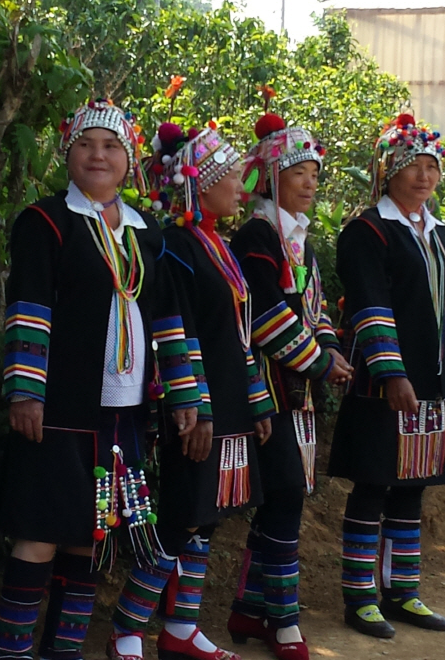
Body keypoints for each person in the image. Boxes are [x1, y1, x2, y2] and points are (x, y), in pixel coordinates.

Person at [0, 100, 201, 660]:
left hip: (123, 413)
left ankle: (63, 651)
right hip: (59, 403)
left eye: (111, 147)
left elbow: (167, 316)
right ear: (69, 154)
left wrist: (184, 393)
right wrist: (26, 390)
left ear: (129, 161)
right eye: (86, 144)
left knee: (92, 539)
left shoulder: (145, 232)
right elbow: (29, 307)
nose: (98, 156)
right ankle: (13, 652)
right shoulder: (45, 221)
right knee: (39, 532)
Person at [109, 121, 275, 660]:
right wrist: (193, 406)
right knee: (182, 514)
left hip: (229, 404)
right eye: (230, 176)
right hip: (198, 408)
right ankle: (127, 626)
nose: (240, 187)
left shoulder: (216, 244)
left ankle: (181, 628)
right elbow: (173, 328)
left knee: (206, 518)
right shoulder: (177, 246)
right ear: (200, 185)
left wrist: (257, 401)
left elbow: (239, 334)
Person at [225, 93, 351, 660]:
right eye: (296, 173)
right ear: (270, 177)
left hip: (295, 393)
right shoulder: (256, 235)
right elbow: (266, 317)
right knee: (284, 501)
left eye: (312, 174)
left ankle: (249, 612)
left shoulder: (297, 238)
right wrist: (321, 361)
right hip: (268, 390)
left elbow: (315, 306)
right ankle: (284, 621)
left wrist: (328, 342)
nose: (307, 183)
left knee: (284, 497)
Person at [328, 112, 445, 638]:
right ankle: (360, 597)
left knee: (413, 486)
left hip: (436, 383)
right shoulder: (366, 230)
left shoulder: (443, 234)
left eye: (432, 167)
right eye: (412, 166)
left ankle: (403, 592)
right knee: (374, 483)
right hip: (386, 382)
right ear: (387, 171)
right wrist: (392, 372)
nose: (424, 176)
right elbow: (370, 305)